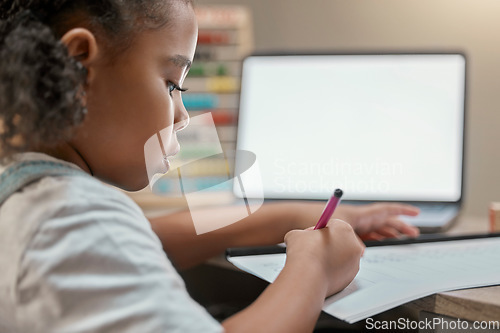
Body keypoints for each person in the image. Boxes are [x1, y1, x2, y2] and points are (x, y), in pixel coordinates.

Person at [0, 1, 420, 332]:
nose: (182, 115)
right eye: (171, 84)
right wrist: (314, 269)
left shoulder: (30, 194)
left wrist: (295, 215)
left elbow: (152, 238)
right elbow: (107, 235)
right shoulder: (73, 217)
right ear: (78, 68)